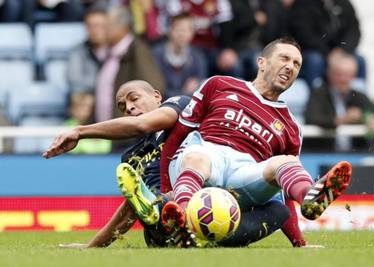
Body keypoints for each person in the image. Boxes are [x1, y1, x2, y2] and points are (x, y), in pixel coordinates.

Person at [44, 80, 291, 248]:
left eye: (134, 99)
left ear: (156, 97)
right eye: (123, 107)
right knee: (156, 203)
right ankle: (164, 213)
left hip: (212, 199)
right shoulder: (131, 156)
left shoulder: (182, 108)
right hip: (167, 218)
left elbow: (142, 125)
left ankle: (205, 234)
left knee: (279, 210)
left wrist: (80, 131)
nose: (129, 108)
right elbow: (129, 212)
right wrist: (92, 246)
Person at [159, 37, 352, 237]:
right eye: (284, 58)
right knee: (198, 159)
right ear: (262, 62)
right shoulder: (219, 84)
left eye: (296, 64)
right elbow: (177, 135)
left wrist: (298, 242)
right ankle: (181, 216)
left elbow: (283, 194)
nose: (290, 67)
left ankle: (310, 198)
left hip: (243, 175)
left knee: (286, 162)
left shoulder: (291, 126)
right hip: (206, 154)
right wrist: (165, 187)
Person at [94, 5, 165, 123]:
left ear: (122, 27)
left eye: (107, 26)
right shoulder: (110, 52)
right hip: (114, 131)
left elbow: (154, 86)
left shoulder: (137, 50)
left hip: (130, 132)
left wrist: (138, 122)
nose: (103, 30)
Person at [304, 53, 374, 152]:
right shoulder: (319, 94)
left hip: (354, 156)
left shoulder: (359, 96)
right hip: (324, 154)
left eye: (348, 75)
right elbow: (313, 118)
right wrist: (343, 120)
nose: (343, 79)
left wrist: (373, 119)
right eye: (339, 75)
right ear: (330, 74)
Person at [287, 0, 365, 88]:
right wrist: (328, 53)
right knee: (315, 60)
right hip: (313, 51)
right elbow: (303, 34)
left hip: (339, 51)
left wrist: (342, 49)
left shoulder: (344, 3)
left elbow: (354, 31)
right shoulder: (303, 4)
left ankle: (358, 97)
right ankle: (316, 94)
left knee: (360, 60)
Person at [152, 13, 208, 98]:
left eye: (187, 30)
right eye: (178, 29)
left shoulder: (197, 56)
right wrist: (184, 93)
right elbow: (155, 88)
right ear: (169, 30)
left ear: (192, 33)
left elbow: (201, 87)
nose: (182, 34)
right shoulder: (156, 54)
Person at [67, 5, 109, 94]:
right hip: (87, 100)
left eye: (98, 26)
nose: (94, 30)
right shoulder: (77, 51)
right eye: (90, 26)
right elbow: (74, 82)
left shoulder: (117, 51)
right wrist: (107, 83)